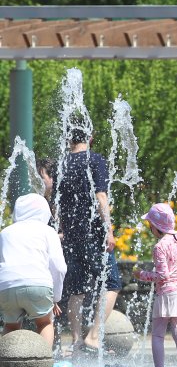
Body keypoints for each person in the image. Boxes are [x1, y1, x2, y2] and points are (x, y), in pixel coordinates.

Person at [55, 121, 120, 355]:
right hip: (95, 234)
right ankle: (92, 337)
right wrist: (109, 231)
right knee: (111, 283)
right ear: (89, 138)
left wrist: (62, 232)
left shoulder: (61, 164)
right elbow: (101, 196)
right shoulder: (95, 160)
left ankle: (75, 340)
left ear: (68, 139)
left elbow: (58, 205)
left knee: (76, 290)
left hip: (71, 237)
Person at [134, 203, 177, 367]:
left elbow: (162, 276)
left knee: (158, 335)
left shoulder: (160, 246)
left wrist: (141, 275)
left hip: (167, 294)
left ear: (155, 226)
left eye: (150, 224)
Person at [0, 194, 67, 347]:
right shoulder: (48, 231)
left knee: (10, 326)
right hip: (38, 284)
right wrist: (55, 297)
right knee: (44, 323)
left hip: (5, 286)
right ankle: (42, 365)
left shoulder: (5, 233)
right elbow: (59, 267)